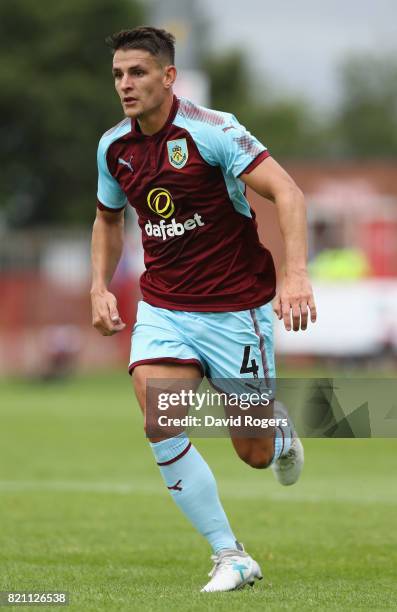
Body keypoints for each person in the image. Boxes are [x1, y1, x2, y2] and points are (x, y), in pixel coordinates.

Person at [90, 26, 317, 593]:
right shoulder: (114, 148)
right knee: (158, 417)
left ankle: (279, 435)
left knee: (254, 453)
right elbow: (108, 218)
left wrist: (295, 275)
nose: (125, 84)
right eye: (118, 74)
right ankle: (230, 555)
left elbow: (287, 193)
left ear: (168, 76)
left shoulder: (214, 131)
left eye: (137, 72)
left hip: (236, 310)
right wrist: (98, 286)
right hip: (165, 307)